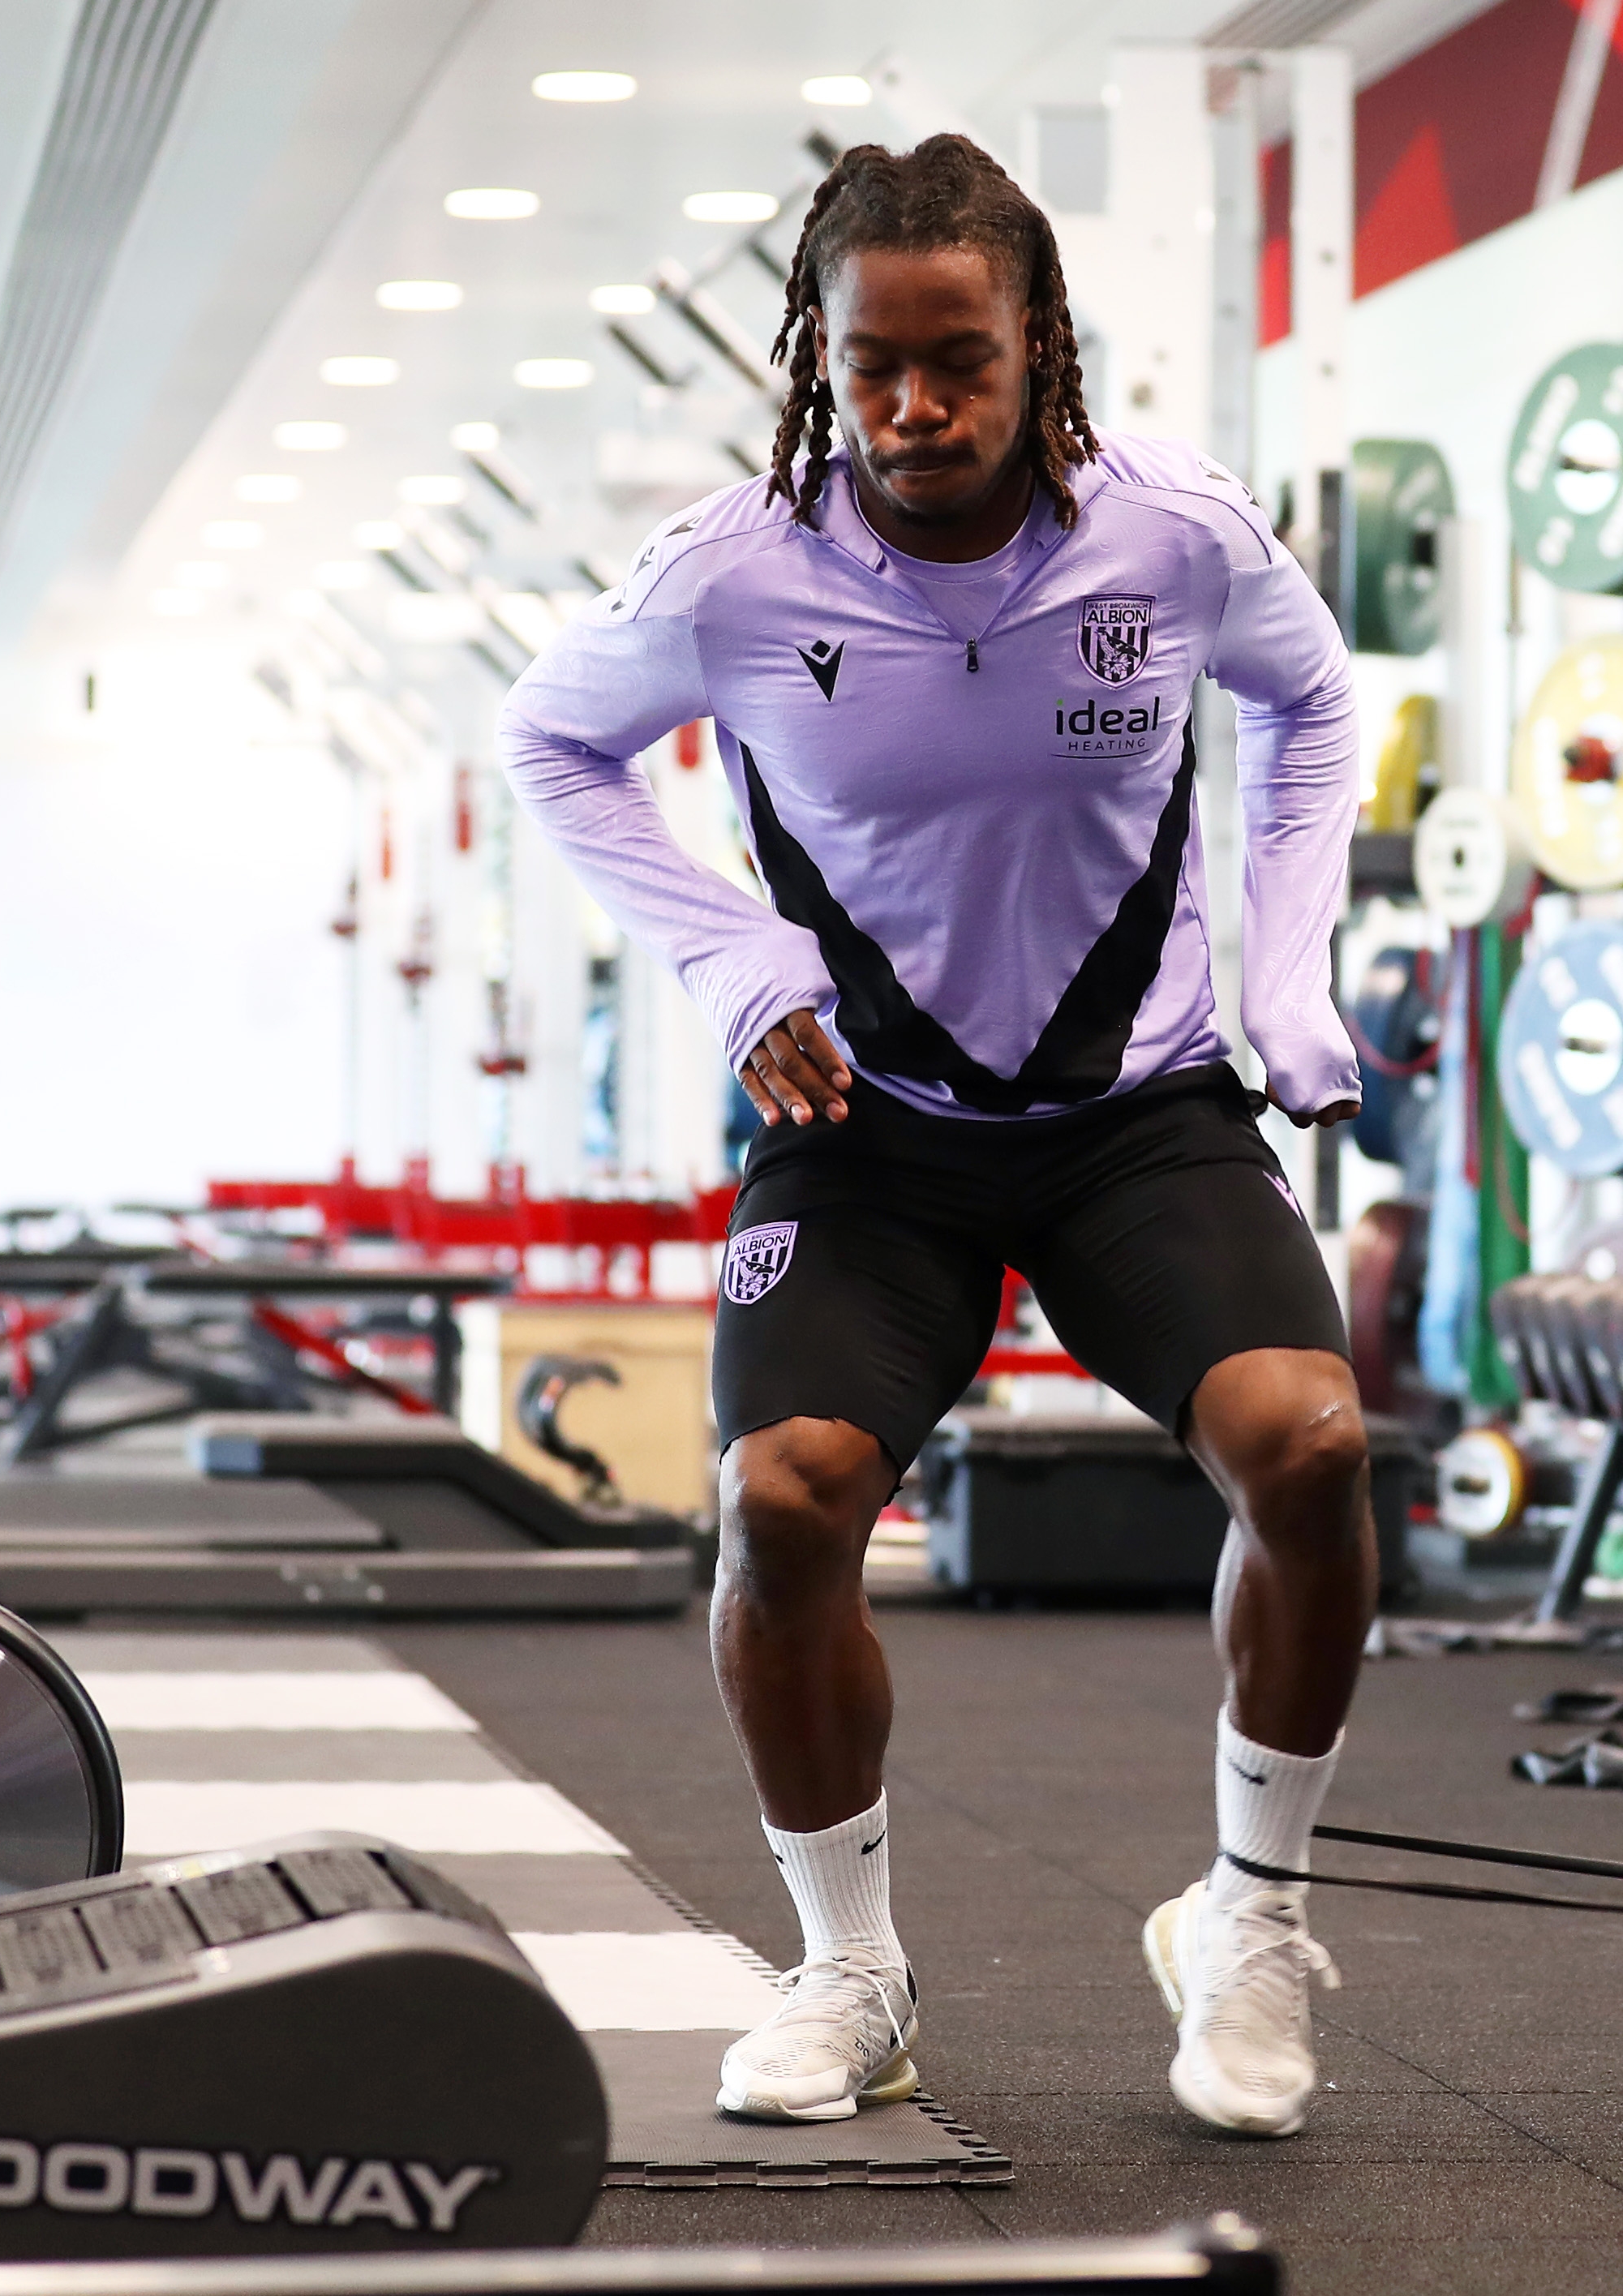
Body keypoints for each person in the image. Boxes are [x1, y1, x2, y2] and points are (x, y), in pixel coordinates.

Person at [496, 132, 1371, 2139]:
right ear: (821, 351)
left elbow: (1314, 710)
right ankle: (849, 1969)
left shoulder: (1176, 538)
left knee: (1311, 1452)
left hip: (1136, 1113)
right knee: (785, 1503)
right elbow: (552, 743)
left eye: (957, 359)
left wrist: (1291, 976)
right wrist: (737, 969)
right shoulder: (730, 572)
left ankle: (1248, 1917)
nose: (914, 407)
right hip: (866, 1126)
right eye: (873, 362)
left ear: (1038, 341)